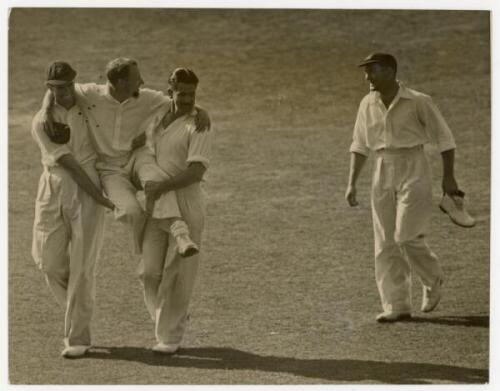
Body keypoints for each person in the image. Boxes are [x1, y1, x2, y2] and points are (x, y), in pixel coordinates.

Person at [40, 58, 209, 257]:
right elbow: (57, 87)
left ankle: (181, 235)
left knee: (156, 182)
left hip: (139, 157)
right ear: (121, 83)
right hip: (109, 169)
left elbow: (177, 101)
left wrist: (201, 111)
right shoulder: (91, 94)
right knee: (131, 212)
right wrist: (46, 111)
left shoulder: (148, 98)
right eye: (137, 78)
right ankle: (144, 254)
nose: (142, 81)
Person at [345, 53, 467, 322]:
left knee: (407, 236)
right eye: (365, 71)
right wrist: (351, 183)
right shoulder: (367, 103)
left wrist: (449, 179)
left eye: (372, 71)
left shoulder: (419, 101)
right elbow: (359, 144)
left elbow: (446, 140)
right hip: (382, 169)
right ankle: (396, 305)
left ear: (389, 71)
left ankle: (433, 280)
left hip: (414, 166)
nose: (367, 77)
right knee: (385, 242)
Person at [31, 62, 114, 357]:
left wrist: (185, 110)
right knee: (48, 261)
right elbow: (67, 164)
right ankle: (78, 312)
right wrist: (101, 197)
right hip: (53, 187)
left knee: (82, 267)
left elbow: (123, 94)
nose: (63, 92)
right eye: (56, 87)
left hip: (88, 187)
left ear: (73, 83)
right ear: (49, 88)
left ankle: (77, 337)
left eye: (66, 86)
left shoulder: (90, 99)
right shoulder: (42, 121)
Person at [135, 68, 212, 353]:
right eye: (182, 94)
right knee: (148, 272)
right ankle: (166, 319)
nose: (189, 100)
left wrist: (161, 186)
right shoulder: (155, 116)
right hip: (156, 203)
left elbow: (196, 171)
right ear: (170, 92)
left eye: (193, 95)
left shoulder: (200, 124)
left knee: (179, 273)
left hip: (187, 202)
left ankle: (170, 337)